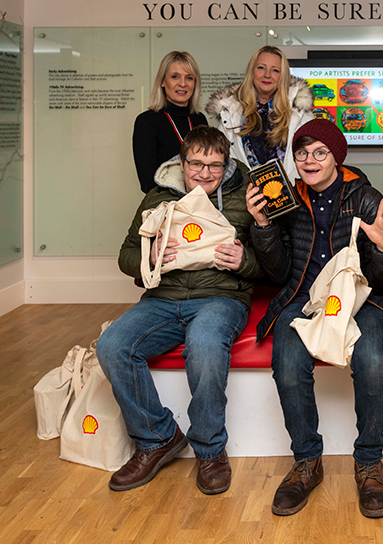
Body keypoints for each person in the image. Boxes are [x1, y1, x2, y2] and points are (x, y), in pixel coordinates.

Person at [246, 119, 383, 518]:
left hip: (360, 300)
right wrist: (263, 226)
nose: (309, 160)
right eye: (302, 153)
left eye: (320, 152)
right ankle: (307, 462)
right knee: (287, 362)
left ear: (337, 157)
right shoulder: (284, 200)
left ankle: (368, 462)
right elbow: (279, 272)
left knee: (371, 361)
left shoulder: (366, 197)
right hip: (303, 297)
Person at [97, 125, 261, 494]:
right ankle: (157, 439)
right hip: (163, 299)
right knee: (112, 346)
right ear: (182, 163)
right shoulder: (158, 197)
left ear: (227, 166)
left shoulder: (245, 197)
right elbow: (125, 253)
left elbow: (273, 265)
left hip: (221, 298)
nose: (204, 173)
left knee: (203, 345)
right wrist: (148, 255)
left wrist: (243, 260)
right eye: (196, 164)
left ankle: (210, 450)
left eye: (215, 166)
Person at [207, 46, 314, 179]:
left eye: (275, 70)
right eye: (261, 68)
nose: (267, 75)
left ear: (283, 76)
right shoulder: (229, 113)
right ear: (252, 71)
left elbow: (312, 161)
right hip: (247, 196)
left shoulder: (300, 113)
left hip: (293, 195)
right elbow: (221, 162)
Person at [133, 51, 209, 193]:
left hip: (201, 205)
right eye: (175, 77)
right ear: (162, 81)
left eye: (189, 78)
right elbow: (148, 183)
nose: (182, 84)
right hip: (165, 207)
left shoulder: (200, 120)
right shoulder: (147, 121)